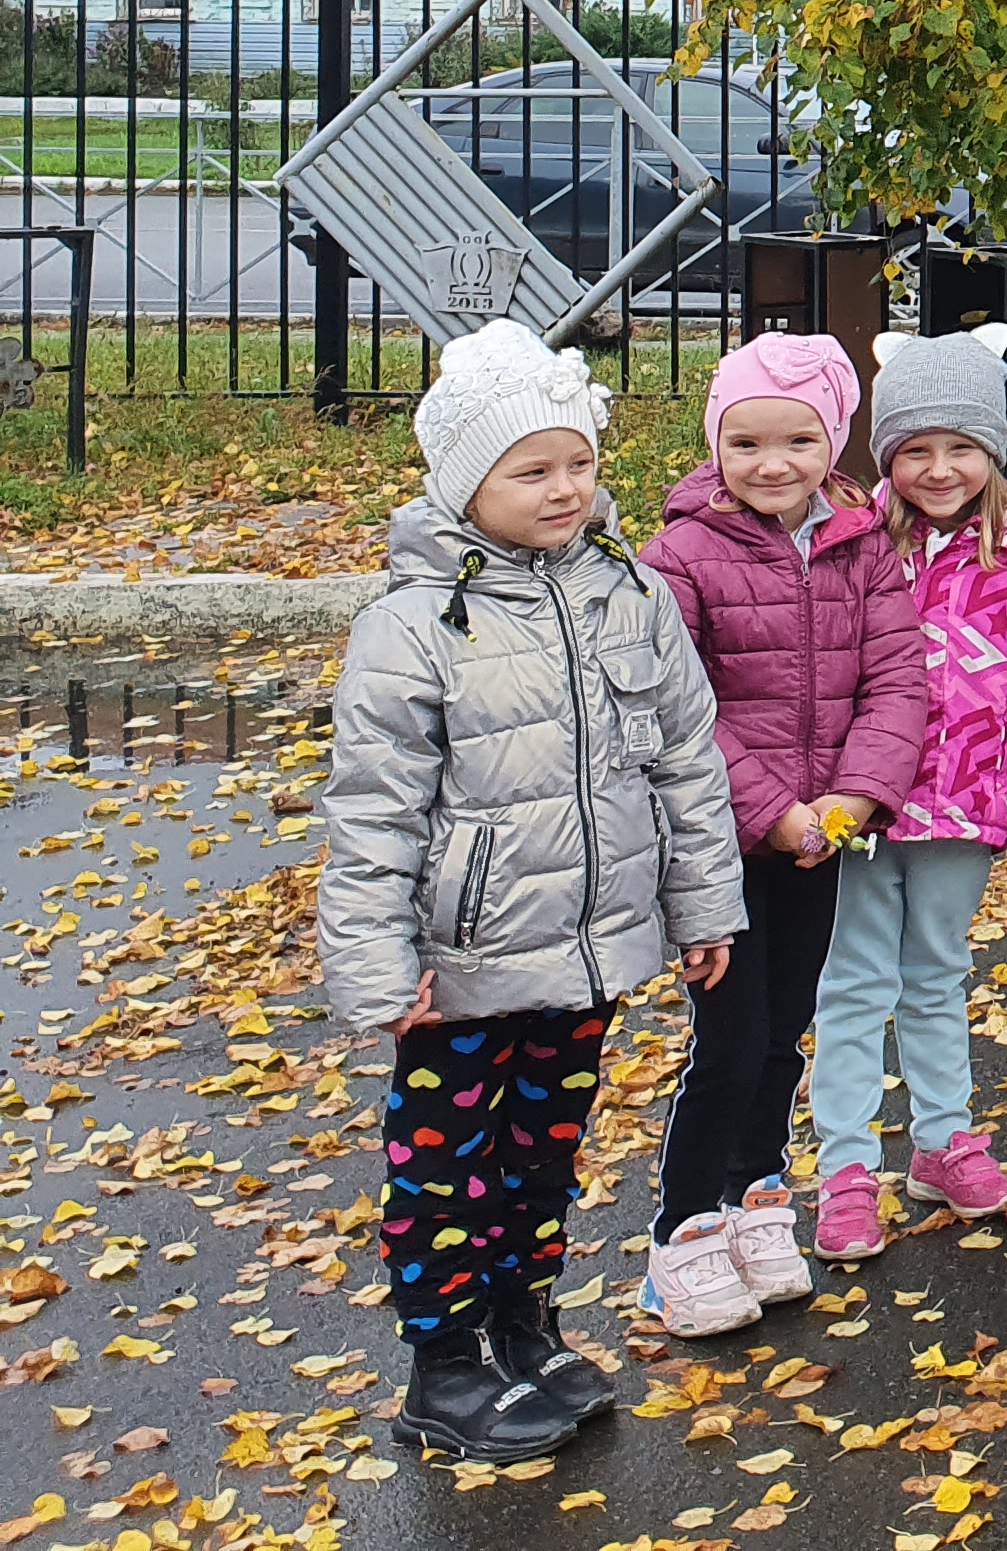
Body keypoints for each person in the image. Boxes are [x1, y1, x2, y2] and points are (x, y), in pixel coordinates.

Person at [320, 322, 743, 1458]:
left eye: (579, 463)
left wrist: (701, 902)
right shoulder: (415, 625)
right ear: (468, 487)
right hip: (465, 961)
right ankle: (443, 1364)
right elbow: (373, 810)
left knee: (544, 1146)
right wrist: (374, 957)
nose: (566, 490)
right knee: (446, 1162)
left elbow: (685, 758)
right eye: (532, 470)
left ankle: (524, 1321)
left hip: (588, 946)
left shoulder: (627, 591)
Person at [642, 333, 929, 1334]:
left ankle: (755, 1190)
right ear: (716, 443)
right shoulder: (679, 557)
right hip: (724, 843)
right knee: (728, 1039)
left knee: (783, 1034)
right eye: (748, 440)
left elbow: (898, 682)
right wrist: (775, 810)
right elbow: (679, 707)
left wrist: (855, 798)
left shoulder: (861, 547)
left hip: (823, 834)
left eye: (799, 439)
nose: (774, 463)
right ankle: (683, 1227)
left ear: (834, 442)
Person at [804, 323, 1007, 1261]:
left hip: (966, 802)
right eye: (915, 448)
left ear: (993, 450)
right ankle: (846, 1166)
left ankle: (942, 1140)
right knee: (851, 980)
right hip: (858, 800)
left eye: (961, 447)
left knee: (935, 973)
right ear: (886, 452)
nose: (938, 468)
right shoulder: (852, 542)